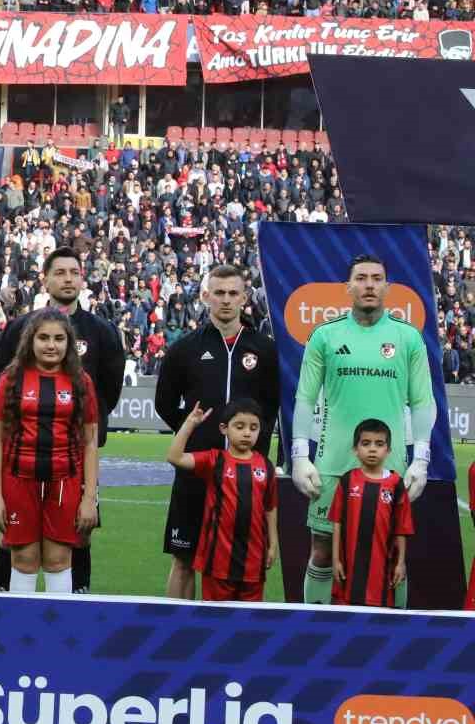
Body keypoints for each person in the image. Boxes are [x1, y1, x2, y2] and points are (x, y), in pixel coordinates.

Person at [291, 254, 437, 604]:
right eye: (361, 278)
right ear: (348, 287)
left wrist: (421, 459)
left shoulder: (408, 338)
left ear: (387, 287)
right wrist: (299, 455)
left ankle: (392, 638)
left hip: (391, 467)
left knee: (390, 555)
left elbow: (422, 402)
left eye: (376, 278)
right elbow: (304, 399)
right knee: (323, 551)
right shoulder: (325, 335)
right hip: (332, 465)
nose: (369, 284)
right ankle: (316, 630)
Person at [0, 246, 123, 594]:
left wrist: (77, 428)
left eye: (74, 272)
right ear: (45, 279)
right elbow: (3, 381)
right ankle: (8, 605)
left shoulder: (102, 332)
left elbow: (109, 390)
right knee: (17, 547)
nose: (67, 279)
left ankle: (72, 608)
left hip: (74, 463)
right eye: (60, 272)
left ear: (82, 278)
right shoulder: (20, 329)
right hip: (22, 462)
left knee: (75, 542)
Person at [153, 264, 280, 599]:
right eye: (219, 293)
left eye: (233, 293)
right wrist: (193, 436)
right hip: (198, 470)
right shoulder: (184, 349)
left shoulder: (264, 350)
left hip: (244, 480)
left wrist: (255, 454)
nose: (225, 300)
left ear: (245, 298)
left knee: (244, 565)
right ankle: (175, 639)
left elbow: (271, 407)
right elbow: (164, 403)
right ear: (206, 296)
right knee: (183, 558)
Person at [0, 309, 99, 594]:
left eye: (59, 338)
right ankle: (19, 631)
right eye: (44, 338)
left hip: (65, 482)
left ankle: (58, 635)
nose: (52, 345)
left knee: (59, 560)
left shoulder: (81, 382)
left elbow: (90, 442)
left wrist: (89, 499)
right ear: (31, 341)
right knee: (23, 560)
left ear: (69, 343)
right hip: (18, 481)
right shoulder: (12, 379)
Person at [166, 399, 277, 602]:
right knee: (215, 621)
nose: (247, 433)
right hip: (217, 561)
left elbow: (270, 507)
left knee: (249, 623)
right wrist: (189, 424)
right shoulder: (214, 460)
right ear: (224, 428)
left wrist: (273, 543)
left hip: (253, 562)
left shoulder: (266, 466)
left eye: (253, 428)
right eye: (240, 426)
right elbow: (175, 457)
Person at [328, 419, 413, 608]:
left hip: (382, 568)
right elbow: (337, 523)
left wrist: (401, 563)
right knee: (346, 618)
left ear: (388, 450)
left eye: (379, 444)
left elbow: (401, 528)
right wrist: (335, 560)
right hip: (349, 567)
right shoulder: (348, 480)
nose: (372, 449)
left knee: (377, 621)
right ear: (355, 449)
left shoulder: (395, 484)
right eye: (366, 444)